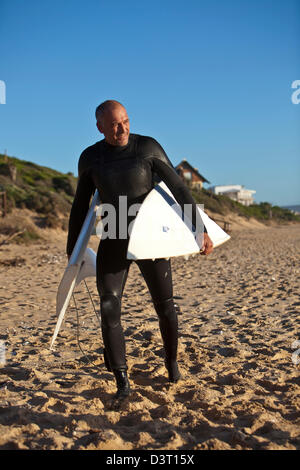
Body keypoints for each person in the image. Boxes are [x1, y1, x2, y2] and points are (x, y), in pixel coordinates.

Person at [66, 100, 213, 407]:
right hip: (115, 237)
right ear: (100, 127)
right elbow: (80, 207)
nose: (122, 129)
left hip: (150, 237)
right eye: (115, 125)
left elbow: (178, 189)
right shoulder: (91, 158)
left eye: (126, 121)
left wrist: (199, 230)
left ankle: (171, 364)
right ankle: (122, 381)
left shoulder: (146, 148)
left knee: (165, 304)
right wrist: (73, 253)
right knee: (109, 304)